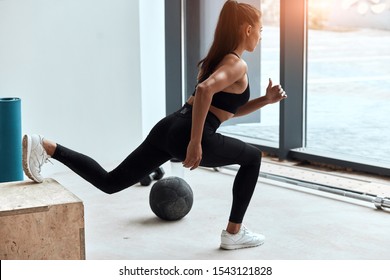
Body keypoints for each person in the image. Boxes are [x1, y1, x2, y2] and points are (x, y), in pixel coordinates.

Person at [22, 0, 286, 250]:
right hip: (190, 132)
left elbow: (226, 110)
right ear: (248, 29)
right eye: (260, 30)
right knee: (252, 158)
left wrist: (265, 99)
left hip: (171, 126)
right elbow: (205, 91)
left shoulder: (217, 60)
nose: (260, 36)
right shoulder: (236, 64)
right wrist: (195, 143)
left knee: (110, 182)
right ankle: (234, 233)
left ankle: (47, 146)